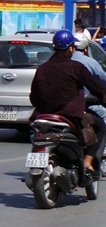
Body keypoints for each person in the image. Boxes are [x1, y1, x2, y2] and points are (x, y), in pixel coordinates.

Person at [30, 30, 106, 173]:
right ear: (71, 48)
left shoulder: (42, 69)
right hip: (70, 115)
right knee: (100, 126)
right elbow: (96, 87)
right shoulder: (75, 67)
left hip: (43, 116)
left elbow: (34, 97)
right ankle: (88, 162)